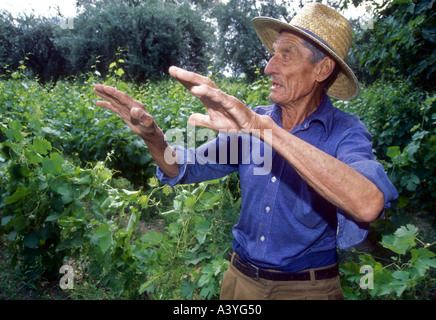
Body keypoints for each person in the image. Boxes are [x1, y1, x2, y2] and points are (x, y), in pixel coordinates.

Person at [94, 3, 398, 300]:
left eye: (286, 55)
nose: (269, 67)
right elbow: (182, 167)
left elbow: (368, 203)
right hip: (240, 283)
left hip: (307, 289)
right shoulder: (251, 124)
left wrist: (266, 130)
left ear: (321, 68)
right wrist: (153, 137)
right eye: (272, 54)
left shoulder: (344, 131)